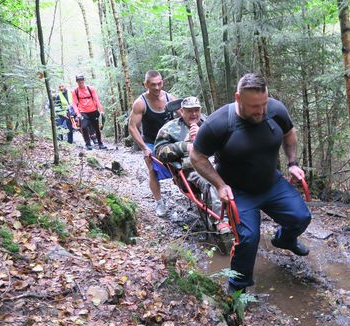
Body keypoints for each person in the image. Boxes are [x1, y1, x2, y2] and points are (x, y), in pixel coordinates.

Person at [190, 73, 311, 294]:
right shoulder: (219, 123)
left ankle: (284, 239)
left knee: (301, 217)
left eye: (264, 103)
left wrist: (293, 163)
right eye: (254, 106)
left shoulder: (275, 109)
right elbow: (197, 156)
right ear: (238, 98)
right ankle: (237, 289)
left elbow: (289, 133)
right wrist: (219, 184)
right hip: (238, 191)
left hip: (271, 182)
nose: (261, 111)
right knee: (248, 239)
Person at [154, 96, 230, 234]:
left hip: (218, 163)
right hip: (193, 169)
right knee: (211, 182)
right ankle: (222, 220)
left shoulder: (209, 123)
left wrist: (204, 136)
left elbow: (227, 142)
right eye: (190, 111)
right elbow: (159, 152)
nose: (194, 114)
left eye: (196, 110)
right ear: (182, 111)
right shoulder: (170, 128)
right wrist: (185, 146)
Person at [128, 71, 178, 217]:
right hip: (151, 142)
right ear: (146, 84)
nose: (157, 87)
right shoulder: (140, 103)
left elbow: (185, 116)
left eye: (159, 83)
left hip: (170, 140)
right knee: (152, 169)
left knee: (184, 164)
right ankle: (159, 202)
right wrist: (144, 147)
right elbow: (132, 127)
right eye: (153, 84)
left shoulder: (170, 98)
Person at [71, 74, 107, 150]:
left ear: (84, 80)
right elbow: (74, 103)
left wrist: (101, 110)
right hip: (83, 112)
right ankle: (88, 144)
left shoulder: (91, 89)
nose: (80, 82)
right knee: (83, 127)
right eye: (79, 80)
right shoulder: (75, 91)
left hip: (93, 111)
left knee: (96, 128)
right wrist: (77, 114)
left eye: (82, 80)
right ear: (77, 81)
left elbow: (96, 100)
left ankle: (100, 144)